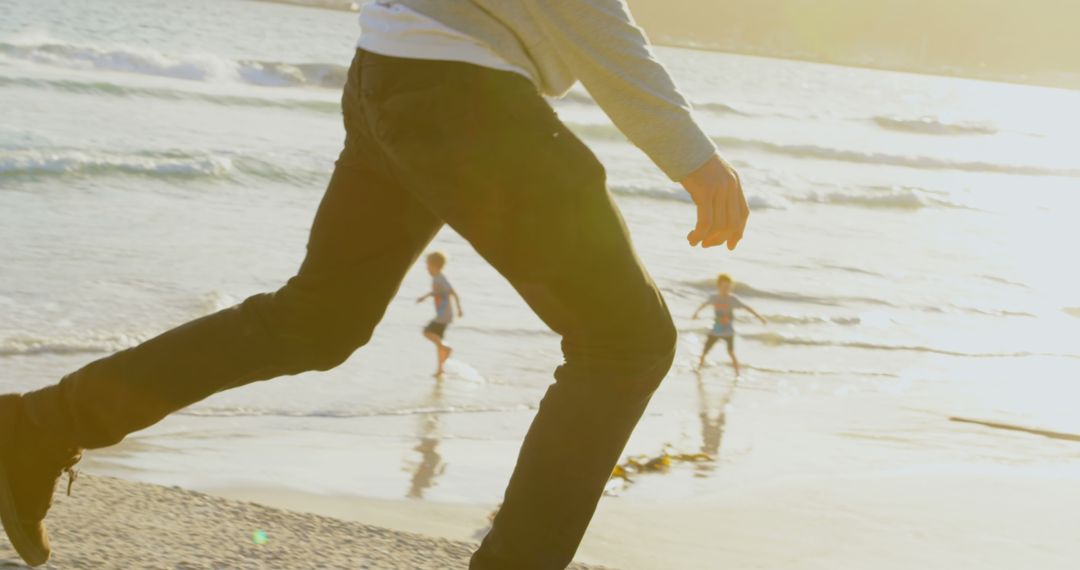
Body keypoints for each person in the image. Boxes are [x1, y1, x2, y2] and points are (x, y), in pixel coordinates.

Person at [0, 0, 750, 568]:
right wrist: (694, 157)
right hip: (466, 94)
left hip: (388, 70)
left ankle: (36, 428)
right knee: (626, 342)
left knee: (316, 321)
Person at [693, 274, 766, 374]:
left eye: (728, 287)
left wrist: (760, 317)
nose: (726, 289)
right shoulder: (714, 298)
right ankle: (698, 369)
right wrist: (696, 313)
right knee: (704, 351)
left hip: (728, 332)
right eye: (724, 286)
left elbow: (747, 308)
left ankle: (737, 373)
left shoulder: (732, 300)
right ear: (718, 286)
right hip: (715, 330)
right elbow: (704, 304)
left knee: (731, 353)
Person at [415, 251, 463, 377]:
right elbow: (436, 292)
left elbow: (452, 292)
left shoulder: (439, 279)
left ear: (435, 266)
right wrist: (424, 297)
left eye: (428, 266)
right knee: (438, 339)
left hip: (443, 316)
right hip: (445, 315)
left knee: (427, 332)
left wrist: (459, 308)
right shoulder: (439, 278)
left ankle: (446, 348)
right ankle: (440, 370)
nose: (427, 269)